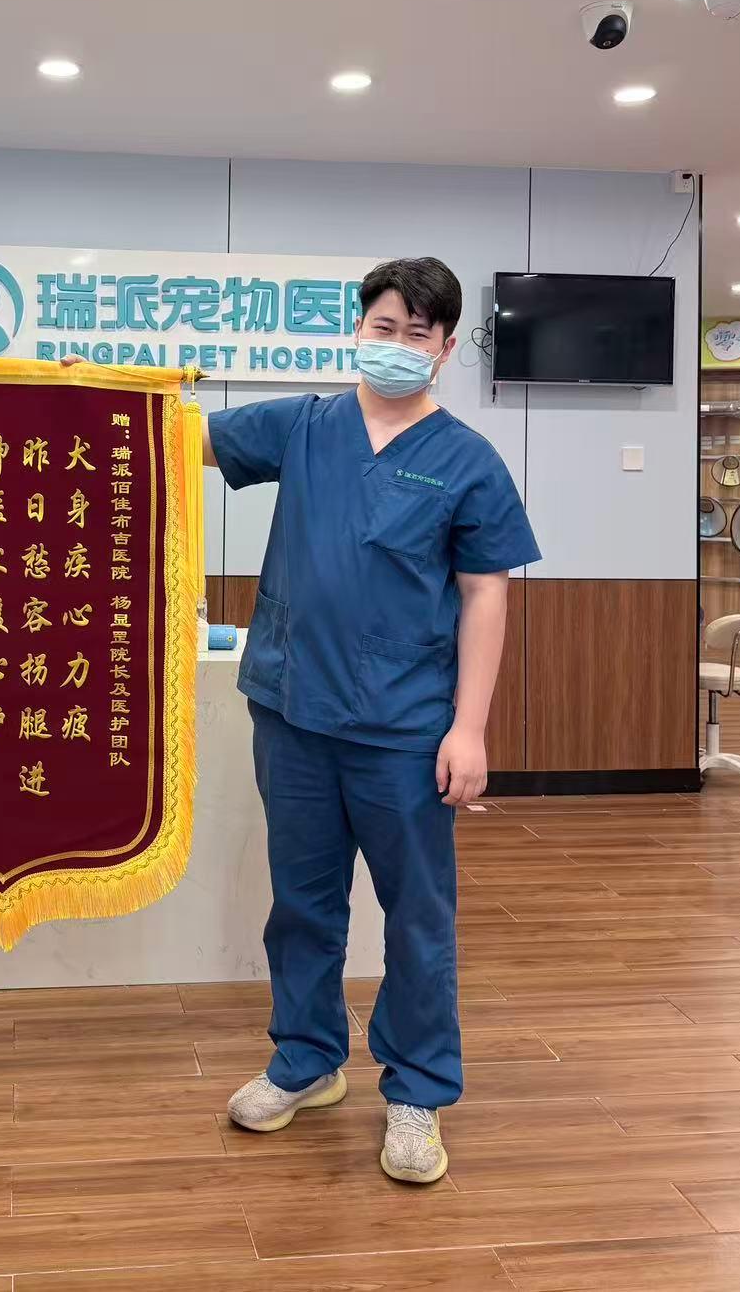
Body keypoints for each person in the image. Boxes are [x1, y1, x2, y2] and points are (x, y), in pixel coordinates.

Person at [204, 256, 540, 1184]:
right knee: (302, 903)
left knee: (417, 915)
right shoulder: (305, 425)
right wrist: (87, 396)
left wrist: (469, 727)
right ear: (359, 328)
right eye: (382, 327)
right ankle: (306, 1059)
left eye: (416, 334)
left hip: (404, 727)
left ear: (445, 348)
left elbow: (485, 595)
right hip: (294, 713)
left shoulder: (467, 460)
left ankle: (418, 1090)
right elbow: (177, 439)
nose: (396, 344)